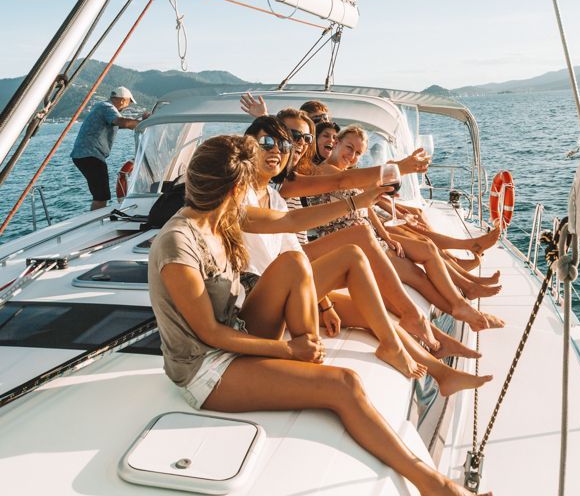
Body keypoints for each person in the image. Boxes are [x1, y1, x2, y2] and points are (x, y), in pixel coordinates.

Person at [147, 135, 488, 496]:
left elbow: (291, 218)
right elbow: (210, 335)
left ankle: (308, 355)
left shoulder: (223, 215)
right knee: (344, 385)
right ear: (235, 189)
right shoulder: (177, 245)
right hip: (207, 368)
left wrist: (360, 200)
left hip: (239, 329)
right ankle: (435, 487)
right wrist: (289, 353)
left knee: (293, 261)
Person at [241, 115, 491, 389]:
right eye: (273, 141)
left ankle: (441, 372)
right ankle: (430, 311)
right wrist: (399, 168)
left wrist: (324, 304)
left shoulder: (274, 196)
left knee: (372, 312)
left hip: (287, 284)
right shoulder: (240, 194)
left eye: (299, 140)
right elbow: (337, 186)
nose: (290, 146)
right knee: (358, 245)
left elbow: (293, 253)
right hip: (261, 297)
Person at [312, 125, 504, 332]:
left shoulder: (347, 173)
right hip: (346, 241)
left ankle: (464, 299)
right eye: (349, 148)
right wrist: (399, 167)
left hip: (368, 234)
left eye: (358, 153)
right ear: (337, 142)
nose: (352, 156)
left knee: (428, 249)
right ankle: (466, 311)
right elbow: (343, 184)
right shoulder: (324, 173)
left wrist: (387, 237)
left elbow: (367, 210)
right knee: (417, 277)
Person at [70, 86, 148, 210]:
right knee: (101, 196)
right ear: (123, 100)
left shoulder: (101, 107)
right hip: (90, 155)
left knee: (100, 194)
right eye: (129, 102)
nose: (127, 106)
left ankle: (95, 221)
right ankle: (94, 225)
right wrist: (146, 123)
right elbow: (123, 122)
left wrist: (140, 121)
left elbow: (123, 124)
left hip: (84, 155)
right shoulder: (107, 108)